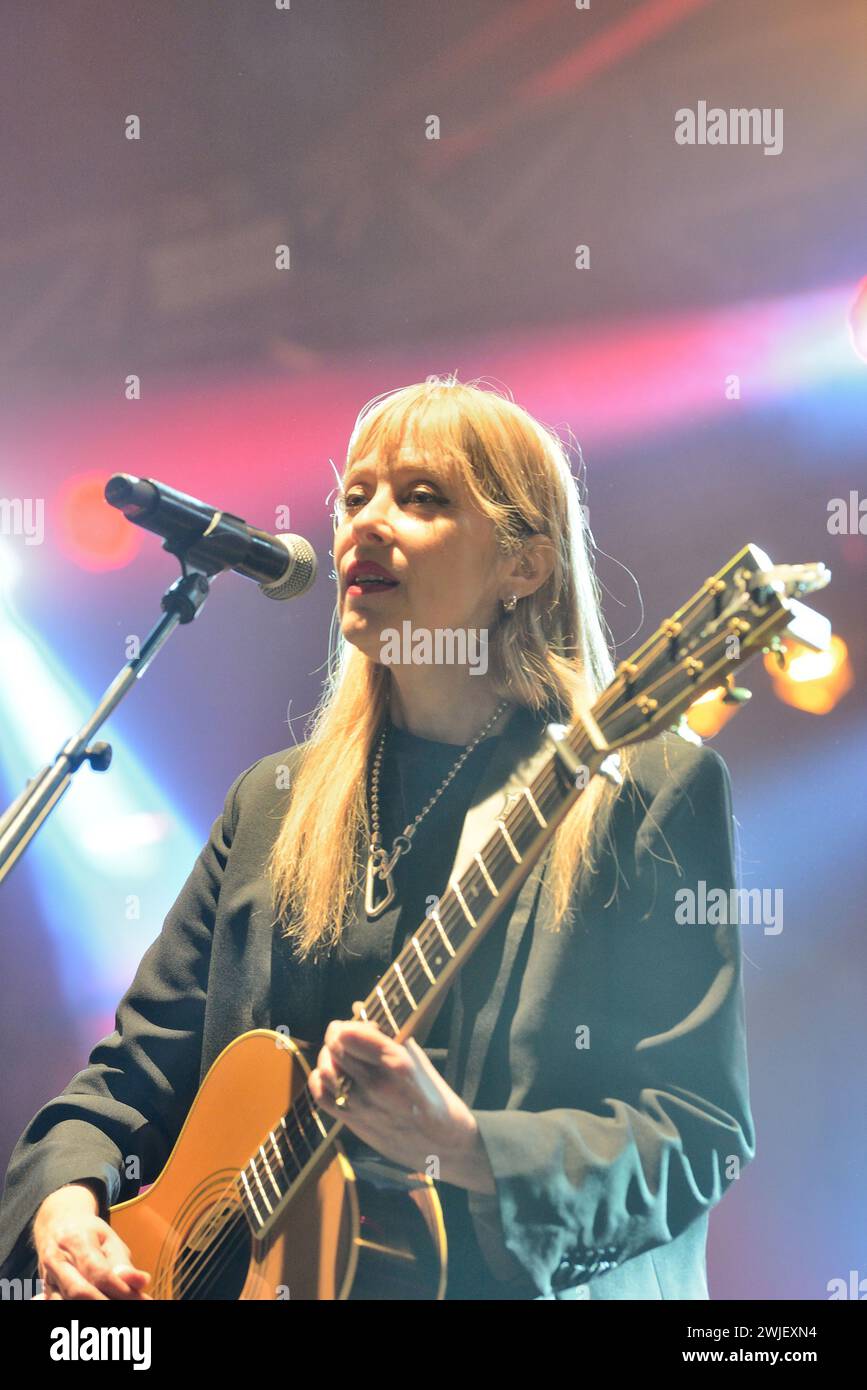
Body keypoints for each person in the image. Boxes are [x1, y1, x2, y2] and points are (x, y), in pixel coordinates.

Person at [0, 375, 754, 1300]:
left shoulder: (639, 787)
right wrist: (65, 1200)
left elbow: (696, 1131)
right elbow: (133, 1074)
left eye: (421, 497)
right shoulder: (271, 806)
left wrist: (468, 1148)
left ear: (524, 566)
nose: (365, 523)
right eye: (353, 497)